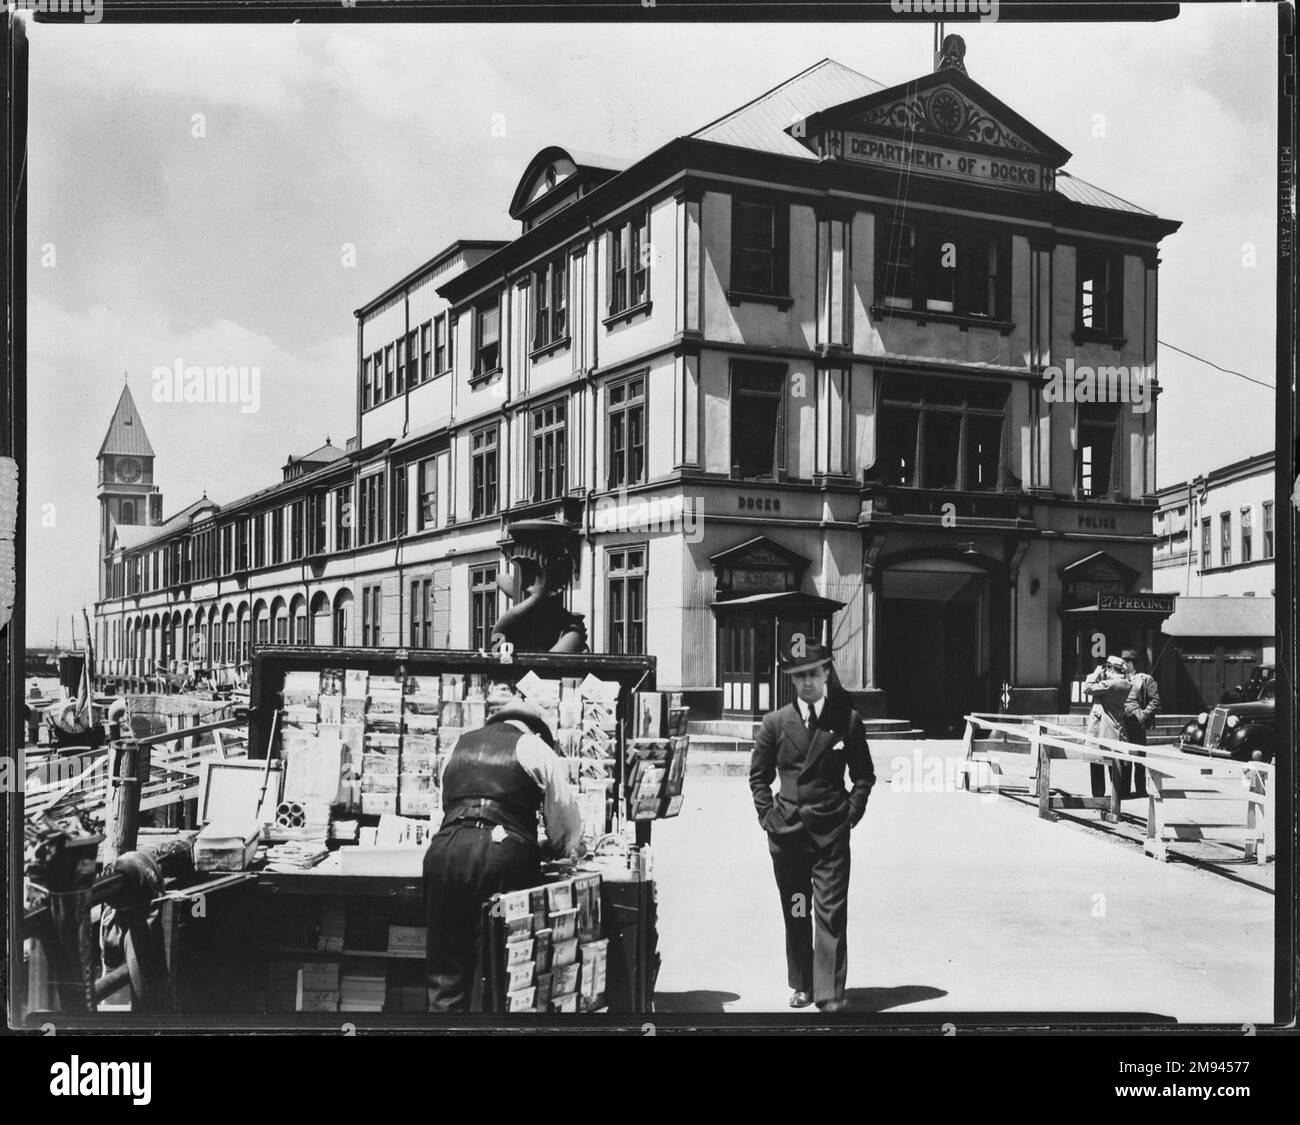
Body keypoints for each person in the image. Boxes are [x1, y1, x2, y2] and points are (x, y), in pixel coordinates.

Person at [423, 697, 583, 1012]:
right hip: (500, 863)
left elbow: (442, 807)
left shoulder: (458, 746)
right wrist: (559, 849)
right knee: (498, 967)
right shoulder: (535, 748)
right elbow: (565, 822)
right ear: (536, 730)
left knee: (445, 973)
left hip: (444, 857)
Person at [749, 641, 876, 1013]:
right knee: (799, 910)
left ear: (826, 675)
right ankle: (803, 983)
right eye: (800, 675)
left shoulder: (846, 720)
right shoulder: (775, 724)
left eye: (815, 674)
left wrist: (850, 813)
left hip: (829, 836)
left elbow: (864, 775)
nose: (808, 682)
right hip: (787, 836)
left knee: (831, 913)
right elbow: (758, 778)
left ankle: (829, 992)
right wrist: (768, 817)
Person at [1085, 654, 1132, 799]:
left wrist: (1095, 674)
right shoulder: (1125, 683)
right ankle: (1115, 801)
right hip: (1115, 731)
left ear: (1111, 668)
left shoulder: (1110, 684)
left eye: (1107, 668)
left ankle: (1098, 798)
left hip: (1101, 731)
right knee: (1114, 769)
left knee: (1097, 764)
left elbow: (1087, 689)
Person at [1121, 649, 1160, 799]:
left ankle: (1140, 789)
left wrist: (1144, 714)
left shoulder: (1145, 679)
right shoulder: (1120, 678)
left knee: (1138, 757)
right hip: (1122, 723)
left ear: (1131, 663)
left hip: (1137, 722)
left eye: (1124, 662)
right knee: (1124, 756)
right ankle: (1124, 790)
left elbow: (1155, 700)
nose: (1122, 665)